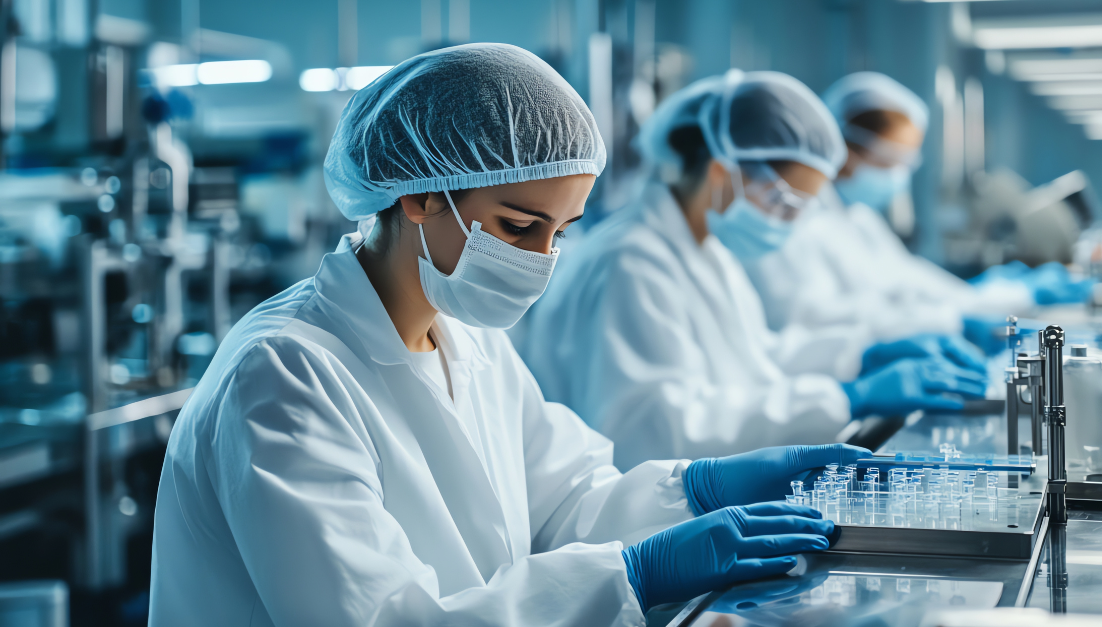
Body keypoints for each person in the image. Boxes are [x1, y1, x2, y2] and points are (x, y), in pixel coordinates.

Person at [148, 45, 873, 626]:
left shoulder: (467, 333)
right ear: (419, 193)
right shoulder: (283, 374)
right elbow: (379, 617)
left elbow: (564, 502)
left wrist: (697, 490)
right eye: (520, 226)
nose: (541, 260)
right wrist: (632, 574)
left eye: (561, 231)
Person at [521, 70, 986, 472]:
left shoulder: (706, 251)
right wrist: (847, 397)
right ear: (720, 172)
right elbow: (653, 426)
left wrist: (860, 356)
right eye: (783, 202)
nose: (789, 224)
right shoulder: (631, 262)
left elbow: (759, 361)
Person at [741, 72, 1091, 347]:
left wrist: (993, 295)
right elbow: (814, 317)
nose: (897, 175)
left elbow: (908, 282)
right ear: (844, 146)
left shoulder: (858, 219)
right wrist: (953, 317)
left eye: (906, 163)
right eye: (889, 160)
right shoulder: (790, 219)